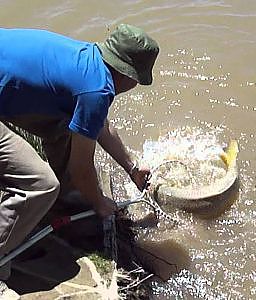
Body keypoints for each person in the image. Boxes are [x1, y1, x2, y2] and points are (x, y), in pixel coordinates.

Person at [0, 24, 159, 298]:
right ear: (126, 74)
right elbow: (81, 167)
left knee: (63, 126)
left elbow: (98, 126)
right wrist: (100, 204)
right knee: (41, 185)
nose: (135, 86)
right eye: (137, 79)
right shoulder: (96, 90)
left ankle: (60, 207)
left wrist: (131, 168)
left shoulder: (88, 61)